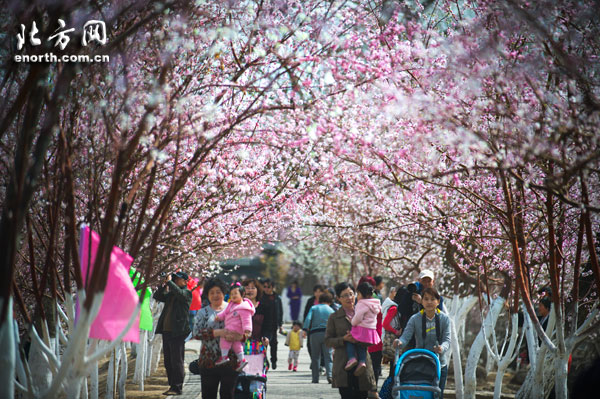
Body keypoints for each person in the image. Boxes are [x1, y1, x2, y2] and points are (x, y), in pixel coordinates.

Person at [393, 288, 451, 397]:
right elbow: (406, 337)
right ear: (422, 301)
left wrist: (441, 348)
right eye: (426, 299)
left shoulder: (445, 319)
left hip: (439, 365)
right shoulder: (415, 318)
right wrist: (399, 342)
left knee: (437, 395)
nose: (429, 302)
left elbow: (447, 340)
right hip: (420, 363)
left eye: (432, 299)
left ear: (438, 302)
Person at [326, 282, 377, 399]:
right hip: (343, 365)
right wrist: (343, 339)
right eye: (345, 295)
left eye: (351, 294)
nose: (349, 298)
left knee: (362, 396)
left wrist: (358, 339)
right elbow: (328, 341)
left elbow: (371, 338)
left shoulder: (365, 313)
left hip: (362, 365)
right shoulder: (334, 317)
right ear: (338, 298)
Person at [193, 277, 241, 399]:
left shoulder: (234, 309)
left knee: (228, 395)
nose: (215, 295)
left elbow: (245, 329)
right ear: (207, 295)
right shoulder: (203, 313)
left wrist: (238, 335)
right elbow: (196, 333)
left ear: (224, 293)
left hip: (230, 361)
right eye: (212, 292)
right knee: (208, 396)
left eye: (218, 292)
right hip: (208, 361)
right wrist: (217, 332)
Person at [153, 271, 193, 396]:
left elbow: (180, 294)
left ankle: (177, 387)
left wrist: (170, 282)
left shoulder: (187, 293)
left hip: (178, 332)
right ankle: (172, 385)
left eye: (178, 279)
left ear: (186, 281)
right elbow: (158, 296)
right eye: (174, 279)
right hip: (167, 331)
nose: (175, 281)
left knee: (177, 361)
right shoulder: (171, 294)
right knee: (168, 361)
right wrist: (163, 284)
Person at [215, 284, 255, 372]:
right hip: (231, 327)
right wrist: (219, 317)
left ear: (242, 294)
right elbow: (224, 313)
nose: (233, 296)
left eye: (235, 293)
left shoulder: (244, 308)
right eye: (231, 294)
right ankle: (242, 360)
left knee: (224, 338)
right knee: (236, 344)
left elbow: (247, 320)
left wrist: (247, 330)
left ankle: (224, 356)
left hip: (235, 329)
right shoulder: (231, 305)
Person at [345, 282, 381, 377]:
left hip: (362, 329)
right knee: (361, 345)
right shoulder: (375, 303)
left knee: (350, 340)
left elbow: (358, 318)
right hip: (371, 331)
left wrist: (352, 322)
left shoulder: (362, 304)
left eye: (358, 294)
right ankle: (362, 362)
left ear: (362, 294)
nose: (357, 296)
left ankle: (352, 358)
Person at [304, 292, 335, 383]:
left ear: (319, 300)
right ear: (329, 301)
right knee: (328, 356)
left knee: (315, 357)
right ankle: (330, 376)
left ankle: (315, 378)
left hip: (314, 334)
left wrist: (305, 329)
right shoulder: (331, 310)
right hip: (327, 334)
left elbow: (308, 319)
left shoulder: (313, 308)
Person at [260, 278, 283, 369]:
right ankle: (264, 359)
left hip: (273, 325)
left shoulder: (277, 298)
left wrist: (280, 324)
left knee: (274, 344)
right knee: (264, 342)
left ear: (273, 287)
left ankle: (274, 360)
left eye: (268, 287)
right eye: (264, 287)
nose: (266, 289)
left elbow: (280, 311)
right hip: (264, 324)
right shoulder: (261, 297)